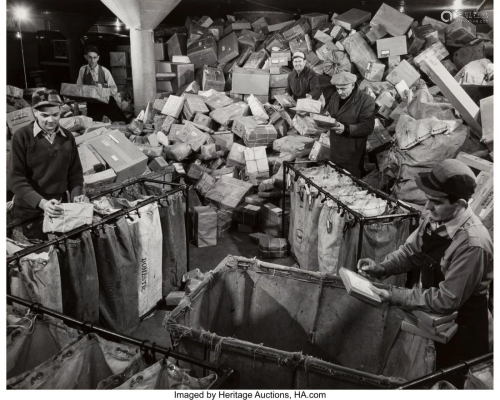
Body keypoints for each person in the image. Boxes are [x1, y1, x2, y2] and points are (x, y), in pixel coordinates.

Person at [358, 159, 493, 373]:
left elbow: (447, 299)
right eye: (428, 200)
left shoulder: (472, 244)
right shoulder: (436, 218)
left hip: (464, 329)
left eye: (436, 202)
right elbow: (411, 252)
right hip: (435, 320)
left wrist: (394, 295)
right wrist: (382, 268)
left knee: (453, 380)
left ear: (458, 204)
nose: (428, 207)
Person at [8, 89, 84, 241]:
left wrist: (77, 196)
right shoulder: (21, 137)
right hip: (28, 212)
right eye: (44, 115)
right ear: (34, 112)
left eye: (55, 114)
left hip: (59, 209)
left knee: (63, 253)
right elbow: (15, 179)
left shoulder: (67, 137)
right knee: (36, 258)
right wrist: (42, 203)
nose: (51, 120)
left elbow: (75, 174)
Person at [326, 71, 375, 178]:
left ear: (353, 85)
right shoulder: (335, 97)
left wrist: (346, 129)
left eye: (343, 89)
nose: (339, 92)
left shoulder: (366, 100)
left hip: (352, 154)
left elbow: (367, 127)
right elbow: (329, 112)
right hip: (334, 150)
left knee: (350, 184)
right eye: (337, 88)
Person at [76, 45, 126, 122]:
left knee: (121, 121)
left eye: (95, 57)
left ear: (98, 58)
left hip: (106, 101)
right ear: (85, 57)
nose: (92, 60)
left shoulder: (104, 71)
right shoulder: (82, 70)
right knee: (92, 126)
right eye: (90, 57)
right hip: (92, 103)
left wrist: (101, 91)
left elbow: (114, 89)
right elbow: (79, 87)